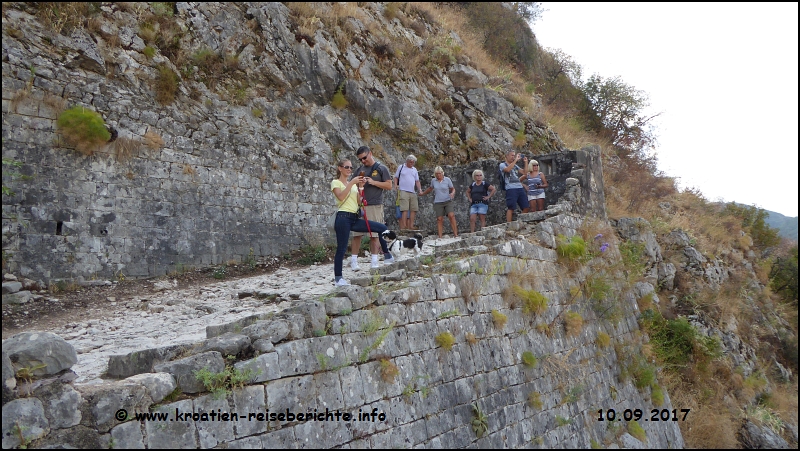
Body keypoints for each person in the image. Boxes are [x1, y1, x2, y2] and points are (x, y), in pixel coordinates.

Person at [331, 159, 394, 286]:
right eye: (347, 167)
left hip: (354, 217)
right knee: (342, 248)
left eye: (351, 167)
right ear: (340, 168)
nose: (349, 169)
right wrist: (353, 183)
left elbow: (359, 202)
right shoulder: (336, 182)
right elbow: (341, 197)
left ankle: (387, 256)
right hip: (343, 217)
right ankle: (338, 278)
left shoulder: (352, 184)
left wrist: (360, 188)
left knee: (381, 227)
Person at [350, 146, 393, 269]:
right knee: (356, 234)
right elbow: (352, 185)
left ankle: (374, 260)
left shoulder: (381, 168)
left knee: (374, 234)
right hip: (360, 205)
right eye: (360, 159)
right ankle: (354, 261)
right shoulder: (359, 170)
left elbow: (389, 185)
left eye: (364, 158)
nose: (363, 161)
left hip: (374, 205)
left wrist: (373, 182)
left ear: (370, 154)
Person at [421, 166, 458, 239]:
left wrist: (452, 193)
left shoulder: (447, 179)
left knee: (451, 216)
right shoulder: (433, 181)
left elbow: (452, 188)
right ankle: (440, 237)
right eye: (437, 174)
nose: (438, 175)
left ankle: (455, 235)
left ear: (442, 173)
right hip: (438, 202)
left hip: (447, 200)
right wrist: (423, 193)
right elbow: (430, 188)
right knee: (439, 219)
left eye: (439, 173)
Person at [394, 154, 423, 230]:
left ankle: (411, 225)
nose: (411, 163)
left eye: (413, 162)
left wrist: (420, 189)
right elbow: (396, 177)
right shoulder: (401, 167)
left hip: (412, 191)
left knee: (414, 208)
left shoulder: (414, 170)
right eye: (410, 162)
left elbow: (417, 181)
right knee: (404, 209)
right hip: (403, 190)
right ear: (407, 161)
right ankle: (404, 226)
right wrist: (395, 185)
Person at [499, 150, 529, 222]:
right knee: (511, 207)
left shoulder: (515, 166)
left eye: (514, 155)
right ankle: (509, 224)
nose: (513, 157)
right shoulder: (502, 165)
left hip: (519, 187)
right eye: (512, 155)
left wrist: (526, 162)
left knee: (526, 206)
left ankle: (520, 221)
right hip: (510, 188)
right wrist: (515, 160)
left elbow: (525, 172)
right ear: (507, 156)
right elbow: (508, 170)